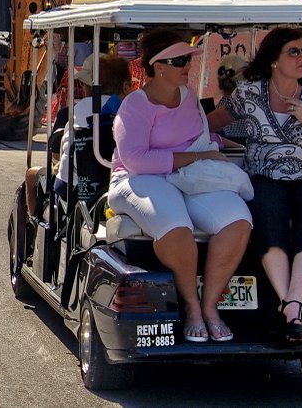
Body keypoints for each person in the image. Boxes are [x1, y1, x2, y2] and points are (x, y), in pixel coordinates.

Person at [108, 28, 252, 343]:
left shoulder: (189, 99)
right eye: (180, 60)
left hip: (188, 175)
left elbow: (201, 136)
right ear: (159, 66)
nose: (188, 65)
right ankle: (192, 307)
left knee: (237, 221)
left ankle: (210, 305)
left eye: (187, 58)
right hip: (137, 179)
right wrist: (196, 155)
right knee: (176, 228)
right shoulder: (134, 105)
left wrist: (220, 148)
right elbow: (136, 160)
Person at [208, 27, 302, 345]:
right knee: (266, 206)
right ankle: (292, 309)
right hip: (264, 176)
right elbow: (214, 120)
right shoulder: (249, 92)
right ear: (273, 60)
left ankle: (291, 304)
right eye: (294, 51)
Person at [54, 53, 132, 200]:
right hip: (121, 184)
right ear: (126, 86)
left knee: (33, 174)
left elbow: (57, 154)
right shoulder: (133, 111)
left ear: (90, 87)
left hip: (73, 187)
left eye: (84, 84)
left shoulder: (74, 111)